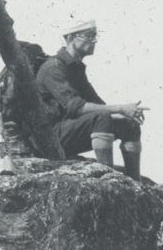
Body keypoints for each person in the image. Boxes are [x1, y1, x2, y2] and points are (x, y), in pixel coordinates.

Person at [35, 20, 145, 180]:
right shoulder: (53, 68)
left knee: (129, 124)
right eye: (89, 36)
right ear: (71, 38)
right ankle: (109, 179)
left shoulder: (76, 68)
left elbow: (97, 104)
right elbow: (76, 108)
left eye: (95, 36)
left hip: (66, 131)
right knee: (101, 119)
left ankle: (136, 182)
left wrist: (126, 114)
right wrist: (120, 108)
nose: (94, 40)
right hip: (50, 137)